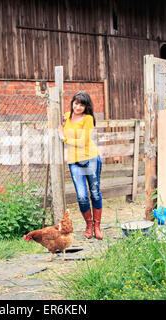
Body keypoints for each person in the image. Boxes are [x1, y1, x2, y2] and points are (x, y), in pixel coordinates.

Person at [58, 91, 103, 239]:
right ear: (72, 103)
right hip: (74, 162)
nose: (78, 107)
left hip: (90, 158)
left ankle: (97, 226)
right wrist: (60, 127)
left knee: (95, 192)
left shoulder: (88, 119)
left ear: (86, 107)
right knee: (82, 196)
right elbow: (54, 124)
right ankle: (89, 224)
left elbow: (83, 142)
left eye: (81, 105)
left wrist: (64, 138)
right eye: (76, 103)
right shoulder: (66, 117)